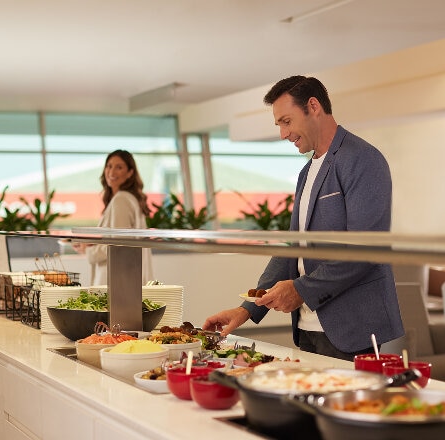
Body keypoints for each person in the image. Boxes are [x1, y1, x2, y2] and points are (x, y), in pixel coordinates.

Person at [203, 76, 404, 360]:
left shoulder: (362, 160)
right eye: (279, 125)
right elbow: (291, 248)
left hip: (353, 327)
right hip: (308, 326)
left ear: (313, 106)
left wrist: (300, 289)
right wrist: (248, 308)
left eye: (287, 121)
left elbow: (364, 250)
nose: (284, 133)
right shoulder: (306, 172)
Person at [74, 149, 153, 285]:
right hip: (128, 279)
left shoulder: (121, 200)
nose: (111, 172)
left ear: (130, 173)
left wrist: (88, 250)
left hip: (117, 282)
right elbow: (122, 239)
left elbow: (118, 245)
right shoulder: (130, 199)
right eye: (109, 166)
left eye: (119, 167)